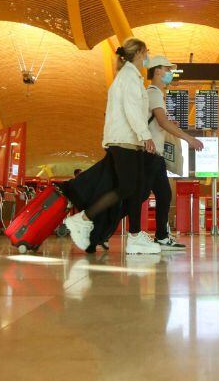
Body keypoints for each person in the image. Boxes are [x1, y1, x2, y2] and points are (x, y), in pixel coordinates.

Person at [63, 37, 161, 255]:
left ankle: (135, 237)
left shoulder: (130, 76)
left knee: (134, 191)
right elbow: (132, 110)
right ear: (138, 53)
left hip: (128, 141)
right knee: (127, 188)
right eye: (147, 52)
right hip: (124, 141)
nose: (148, 57)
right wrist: (146, 136)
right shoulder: (128, 77)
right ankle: (83, 218)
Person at [131, 55, 204, 251]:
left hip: (155, 155)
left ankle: (161, 236)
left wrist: (170, 126)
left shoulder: (154, 94)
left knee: (163, 195)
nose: (170, 73)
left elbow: (160, 123)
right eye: (167, 69)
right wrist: (189, 138)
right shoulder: (153, 92)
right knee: (141, 195)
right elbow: (162, 122)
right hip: (150, 154)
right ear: (156, 71)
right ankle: (120, 231)